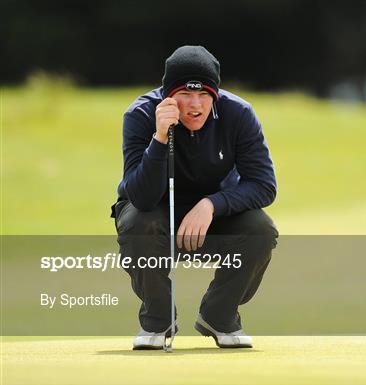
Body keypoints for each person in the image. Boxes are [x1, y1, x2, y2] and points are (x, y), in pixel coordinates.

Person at [110, 45, 278, 349]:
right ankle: (157, 322)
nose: (195, 105)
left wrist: (211, 204)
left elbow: (264, 185)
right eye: (185, 95)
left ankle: (220, 316)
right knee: (139, 222)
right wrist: (160, 138)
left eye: (203, 95)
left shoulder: (238, 114)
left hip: (212, 219)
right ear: (168, 96)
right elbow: (141, 197)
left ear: (215, 94)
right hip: (155, 215)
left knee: (260, 230)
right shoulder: (141, 114)